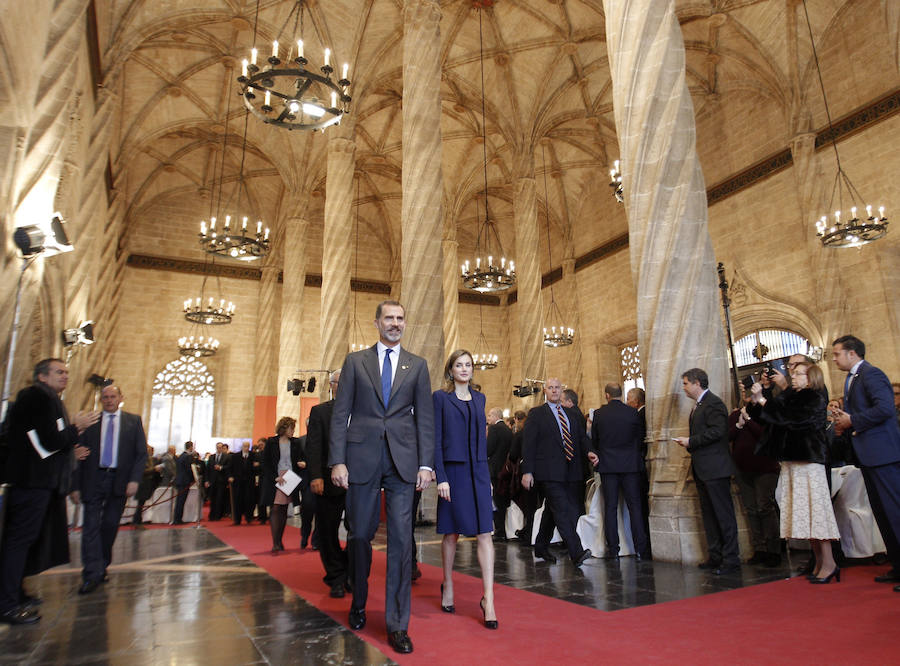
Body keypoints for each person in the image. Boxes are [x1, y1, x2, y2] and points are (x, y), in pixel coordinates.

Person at [329, 300, 434, 655]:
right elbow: (340, 413)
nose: (395, 323)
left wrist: (426, 464)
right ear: (376, 322)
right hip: (361, 459)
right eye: (388, 318)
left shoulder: (417, 365)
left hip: (404, 462)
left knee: (402, 542)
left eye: (400, 318)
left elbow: (425, 419)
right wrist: (337, 461)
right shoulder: (355, 361)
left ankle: (397, 624)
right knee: (359, 535)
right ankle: (358, 601)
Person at [0, 358, 98, 625]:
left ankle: (16, 593)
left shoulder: (47, 399)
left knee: (26, 541)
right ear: (42, 376)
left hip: (40, 482)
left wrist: (70, 447)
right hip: (32, 482)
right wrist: (77, 427)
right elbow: (48, 442)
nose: (65, 376)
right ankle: (7, 603)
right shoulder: (36, 397)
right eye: (59, 372)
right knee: (18, 542)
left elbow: (49, 443)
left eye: (67, 371)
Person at [751, 363, 840, 582]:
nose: (793, 377)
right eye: (793, 373)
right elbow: (770, 416)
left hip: (809, 460)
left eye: (798, 374)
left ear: (810, 379)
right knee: (804, 512)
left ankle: (829, 563)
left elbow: (792, 419)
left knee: (816, 512)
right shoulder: (791, 395)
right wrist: (758, 399)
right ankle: (818, 561)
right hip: (792, 460)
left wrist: (764, 401)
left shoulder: (814, 397)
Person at [830, 335, 900, 590]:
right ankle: (897, 565)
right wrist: (844, 424)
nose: (834, 358)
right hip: (868, 456)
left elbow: (885, 409)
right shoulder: (853, 378)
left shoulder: (871, 374)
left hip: (884, 455)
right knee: (882, 514)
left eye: (837, 353)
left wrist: (853, 421)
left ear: (852, 353)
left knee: (895, 512)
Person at [434, 350, 497, 629]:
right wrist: (441, 476)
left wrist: (488, 477)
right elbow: (435, 440)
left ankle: (489, 599)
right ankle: (447, 584)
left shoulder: (480, 398)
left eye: (468, 365)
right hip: (454, 472)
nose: (464, 369)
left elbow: (482, 442)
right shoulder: (440, 398)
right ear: (450, 370)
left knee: (486, 532)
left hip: (479, 472)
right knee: (451, 532)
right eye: (459, 365)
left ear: (473, 370)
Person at [73, 384, 148, 593]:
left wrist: (134, 480)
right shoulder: (91, 422)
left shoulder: (133, 421)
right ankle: (90, 574)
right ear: (101, 400)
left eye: (112, 396)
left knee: (109, 525)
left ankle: (102, 566)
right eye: (105, 397)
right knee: (90, 527)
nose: (108, 400)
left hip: (119, 480)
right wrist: (75, 486)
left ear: (120, 398)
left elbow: (141, 454)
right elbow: (78, 454)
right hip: (93, 478)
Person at [673, 368, 740, 575]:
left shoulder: (714, 403)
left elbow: (719, 432)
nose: (683, 388)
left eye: (685, 383)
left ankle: (731, 559)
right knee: (709, 515)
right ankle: (715, 555)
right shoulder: (699, 404)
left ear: (696, 383)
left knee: (723, 515)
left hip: (715, 468)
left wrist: (691, 441)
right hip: (703, 468)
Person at [521, 378, 592, 566]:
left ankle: (541, 546)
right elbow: (528, 444)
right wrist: (527, 471)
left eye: (557, 388)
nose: (554, 391)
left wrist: (591, 452)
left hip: (570, 471)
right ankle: (576, 552)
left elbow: (581, 438)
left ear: (562, 390)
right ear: (545, 390)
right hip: (548, 472)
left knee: (552, 512)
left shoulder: (571, 414)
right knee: (562, 510)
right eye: (550, 388)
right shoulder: (537, 414)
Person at [588, 383, 650, 560]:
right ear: (620, 394)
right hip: (630, 466)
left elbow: (596, 440)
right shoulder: (632, 413)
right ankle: (641, 548)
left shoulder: (600, 414)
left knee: (611, 508)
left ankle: (614, 549)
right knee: (635, 507)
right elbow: (639, 439)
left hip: (608, 466)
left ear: (607, 395)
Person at [306, 371, 350, 598]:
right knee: (327, 531)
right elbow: (314, 447)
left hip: (357, 484)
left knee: (360, 532)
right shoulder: (320, 412)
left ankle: (350, 571)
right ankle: (336, 576)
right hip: (327, 482)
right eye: (340, 382)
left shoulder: (363, 412)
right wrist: (315, 476)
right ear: (331, 386)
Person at [729, 389, 780, 567]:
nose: (745, 392)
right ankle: (759, 549)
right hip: (743, 469)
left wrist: (749, 421)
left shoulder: (765, 413)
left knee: (764, 507)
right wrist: (739, 424)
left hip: (765, 467)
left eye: (749, 390)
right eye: (742, 389)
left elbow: (766, 435)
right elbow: (728, 436)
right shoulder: (736, 413)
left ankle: (774, 549)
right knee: (751, 509)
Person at [262, 417, 306, 553]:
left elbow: (301, 457)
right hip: (276, 477)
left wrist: (302, 463)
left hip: (290, 477)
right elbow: (266, 463)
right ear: (284, 428)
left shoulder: (296, 442)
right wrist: (274, 477)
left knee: (283, 509)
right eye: (291, 428)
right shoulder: (271, 442)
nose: (293, 431)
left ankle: (279, 541)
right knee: (275, 508)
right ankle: (276, 542)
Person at [626, 387, 651, 551]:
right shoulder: (642, 413)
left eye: (628, 399)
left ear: (635, 402)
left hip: (639, 464)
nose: (627, 402)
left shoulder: (639, 415)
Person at [486, 407, 512, 541]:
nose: (488, 418)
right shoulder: (508, 429)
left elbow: (488, 449)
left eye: (490, 415)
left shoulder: (494, 429)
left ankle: (499, 530)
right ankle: (503, 529)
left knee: (496, 501)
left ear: (496, 416)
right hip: (506, 469)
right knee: (502, 500)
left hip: (495, 470)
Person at [228, 441, 255, 525]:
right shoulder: (235, 456)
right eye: (245, 446)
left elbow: (257, 469)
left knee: (249, 500)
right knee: (237, 500)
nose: (246, 448)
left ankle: (249, 518)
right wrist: (230, 476)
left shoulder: (253, 456)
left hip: (249, 482)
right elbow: (230, 468)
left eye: (248, 446)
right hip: (238, 482)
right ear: (242, 447)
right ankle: (237, 519)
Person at [132, 444, 159, 527]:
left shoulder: (149, 459)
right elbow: (143, 471)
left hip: (147, 482)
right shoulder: (143, 459)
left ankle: (138, 521)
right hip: (143, 483)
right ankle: (136, 521)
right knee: (140, 504)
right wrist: (154, 469)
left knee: (141, 504)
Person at [172, 441, 195, 524]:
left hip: (180, 480)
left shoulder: (181, 456)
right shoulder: (187, 457)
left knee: (179, 501)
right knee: (181, 501)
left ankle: (177, 518)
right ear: (191, 447)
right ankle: (178, 519)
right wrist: (194, 479)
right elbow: (189, 469)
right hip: (184, 481)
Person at [253, 438, 267, 523]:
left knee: (265, 498)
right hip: (260, 478)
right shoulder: (257, 454)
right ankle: (261, 516)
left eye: (261, 445)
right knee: (259, 498)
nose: (260, 447)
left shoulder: (269, 454)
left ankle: (265, 516)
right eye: (259, 445)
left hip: (267, 479)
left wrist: (259, 465)